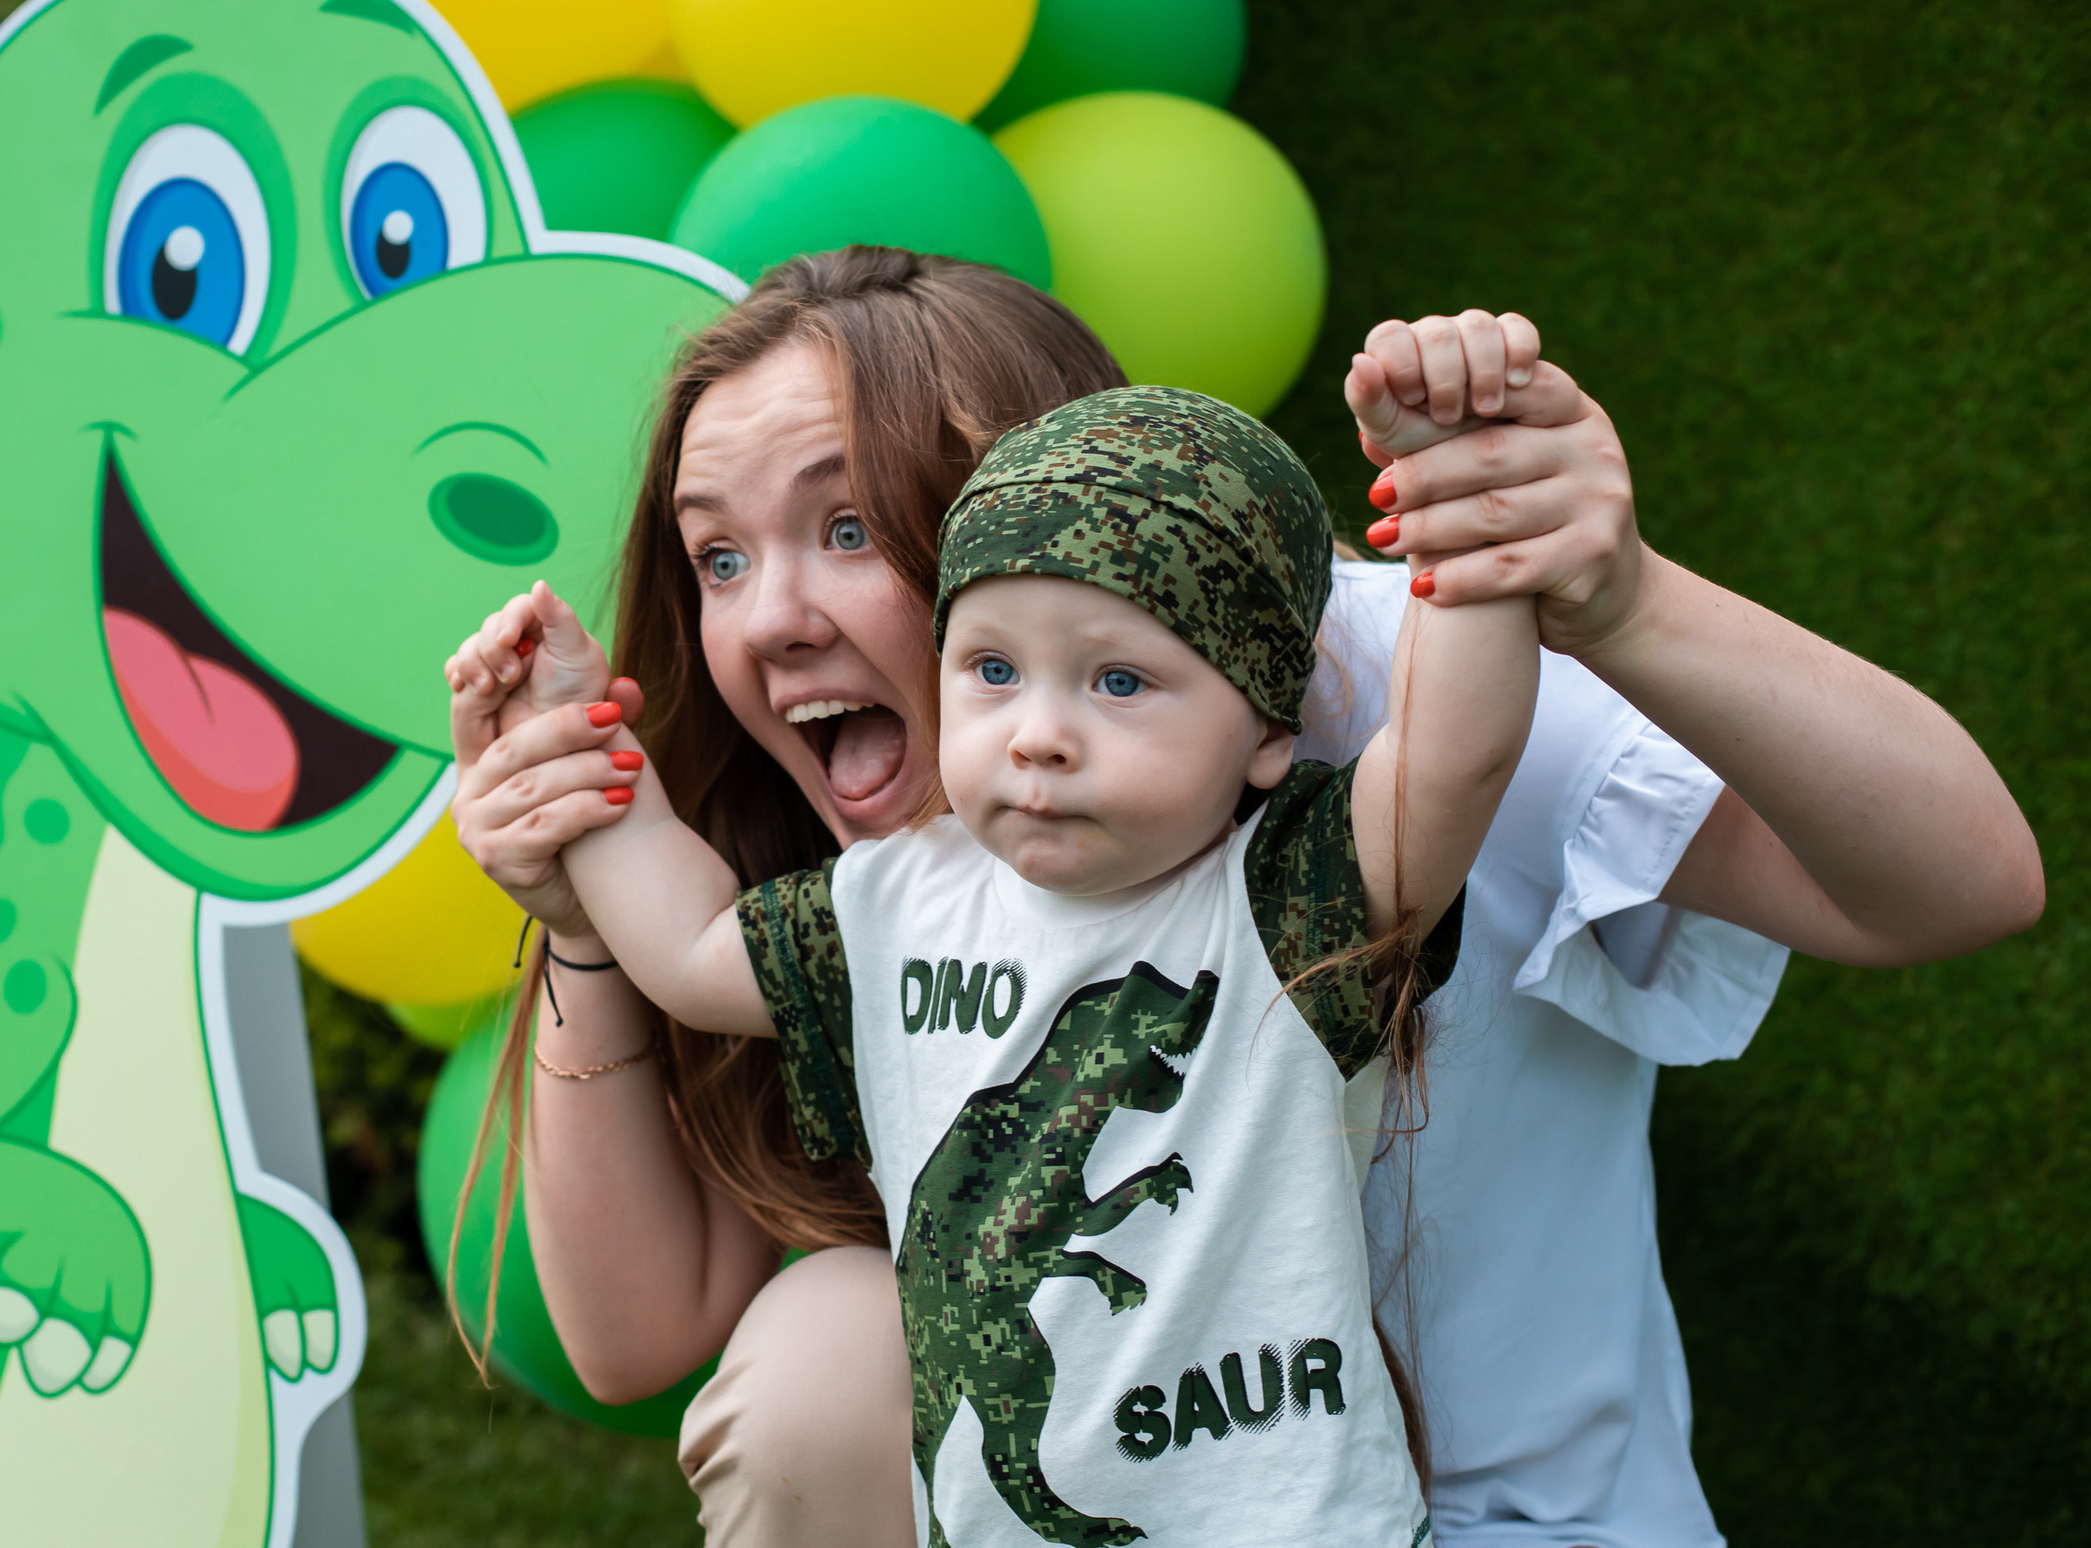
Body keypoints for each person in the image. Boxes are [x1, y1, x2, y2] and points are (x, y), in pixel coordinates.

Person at [446, 250, 2040, 1546]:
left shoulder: (1391, 692)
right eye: (717, 560)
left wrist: (1591, 590)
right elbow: (637, 1332)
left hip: (1508, 1525)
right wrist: (580, 876)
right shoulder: (885, 887)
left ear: (1056, 504)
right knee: (827, 1346)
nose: (767, 624)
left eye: (847, 527)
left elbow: (1967, 880)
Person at [453, 382, 1555, 1543]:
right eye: (991, 670)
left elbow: (1455, 757)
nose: (1038, 735)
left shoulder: (1290, 897)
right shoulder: (897, 903)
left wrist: (1457, 490)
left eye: (1118, 682)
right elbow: (687, 946)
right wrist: (574, 742)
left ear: (1268, 737)